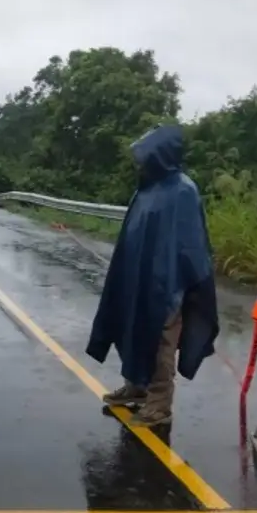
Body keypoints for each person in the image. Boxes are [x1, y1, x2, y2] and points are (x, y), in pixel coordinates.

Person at [85, 125, 219, 427]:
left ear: (162, 156)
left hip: (169, 284)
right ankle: (136, 386)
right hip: (138, 280)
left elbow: (191, 245)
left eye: (145, 157)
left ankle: (159, 404)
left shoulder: (183, 190)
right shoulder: (146, 190)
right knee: (132, 330)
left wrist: (181, 282)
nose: (140, 163)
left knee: (161, 342)